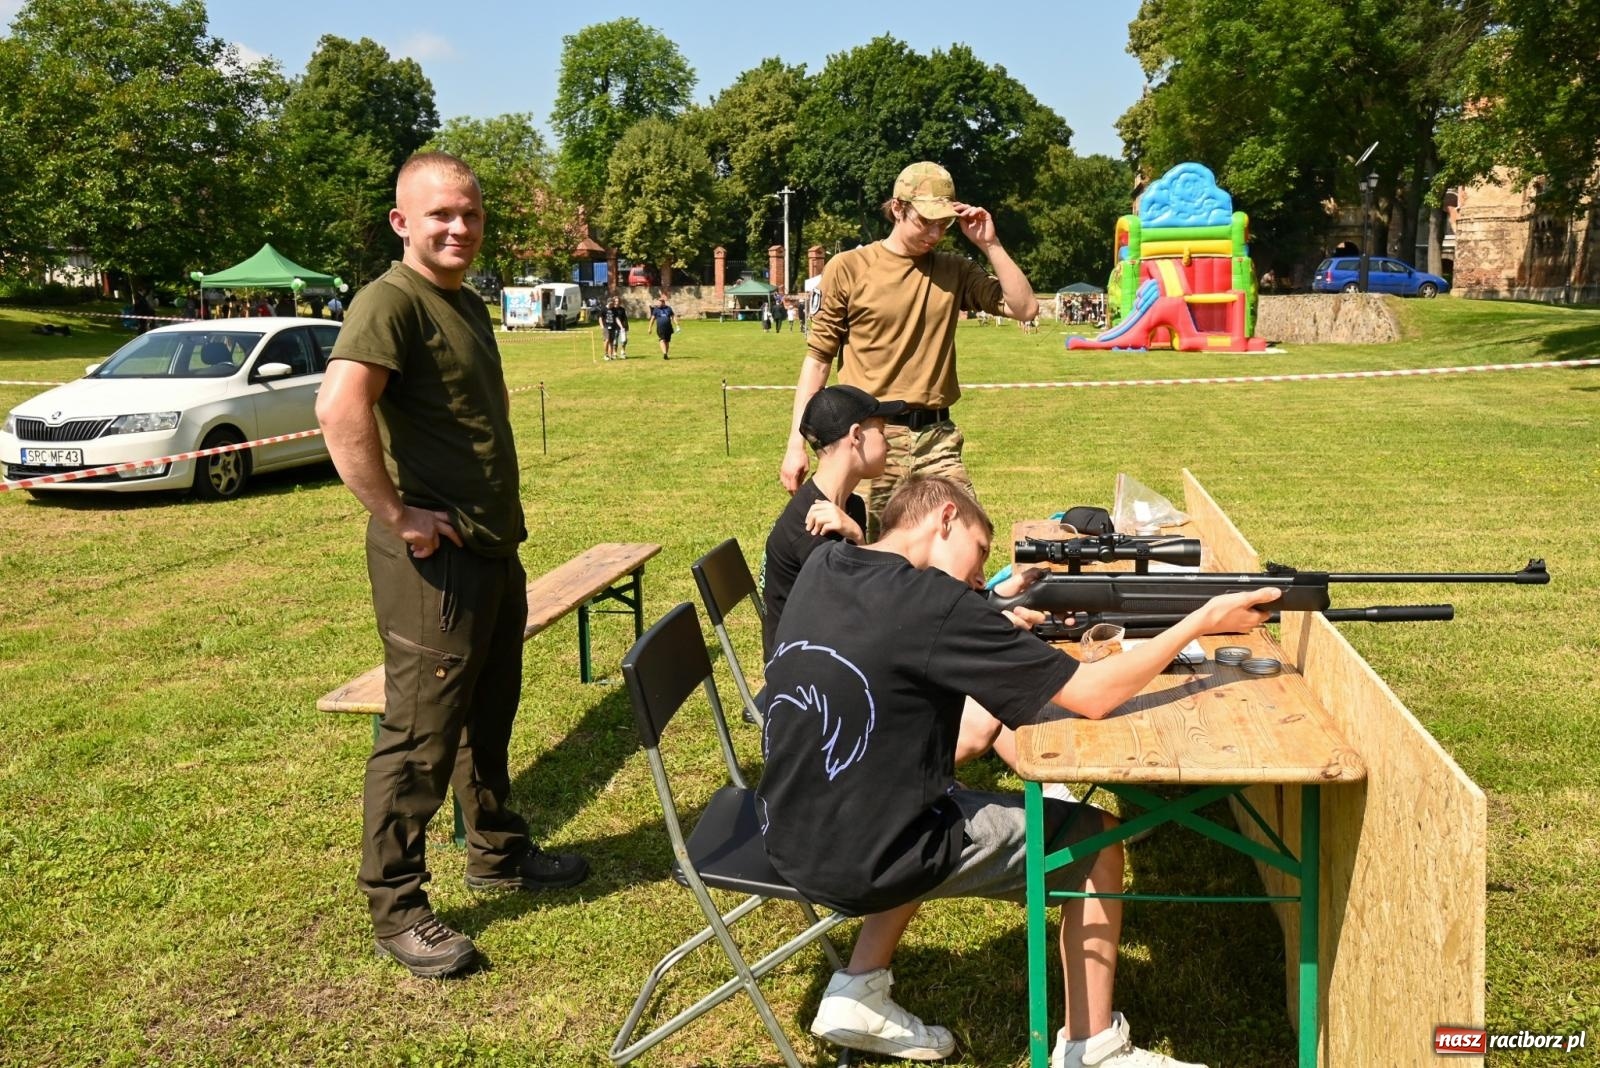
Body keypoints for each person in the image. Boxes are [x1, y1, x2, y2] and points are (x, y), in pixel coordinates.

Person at [758, 476, 1278, 1067]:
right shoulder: (938, 607)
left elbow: (944, 687)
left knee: (935, 795)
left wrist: (990, 619)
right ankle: (1093, 1049)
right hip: (863, 855)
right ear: (945, 518)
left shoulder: (826, 563)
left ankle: (859, 988)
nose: (981, 576)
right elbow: (1094, 695)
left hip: (789, 822)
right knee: (1096, 841)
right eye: (980, 552)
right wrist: (1202, 619)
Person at [316, 151, 589, 981]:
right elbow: (339, 408)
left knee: (487, 715)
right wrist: (398, 515)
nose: (459, 228)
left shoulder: (462, 302)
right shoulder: (388, 301)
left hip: (491, 549)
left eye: (469, 214)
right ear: (403, 221)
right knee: (419, 736)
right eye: (440, 215)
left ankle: (497, 852)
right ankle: (397, 907)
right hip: (433, 563)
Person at [779, 161, 1039, 540]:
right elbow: (818, 361)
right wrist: (795, 445)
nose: (935, 233)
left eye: (944, 223)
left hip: (937, 438)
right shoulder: (849, 267)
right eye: (925, 221)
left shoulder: (955, 270)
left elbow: (1024, 307)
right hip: (870, 438)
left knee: (968, 540)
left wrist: (989, 244)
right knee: (870, 549)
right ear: (897, 208)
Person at [648, 295, 676, 359]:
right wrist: (650, 328)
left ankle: (666, 354)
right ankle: (664, 353)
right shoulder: (656, 309)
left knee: (667, 341)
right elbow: (652, 319)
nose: (659, 303)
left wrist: (677, 324)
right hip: (660, 328)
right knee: (662, 340)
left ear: (663, 302)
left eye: (660, 302)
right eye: (658, 302)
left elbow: (673, 316)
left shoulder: (668, 308)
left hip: (668, 328)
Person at [600, 295, 628, 360]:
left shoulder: (614, 310)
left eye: (613, 303)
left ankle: (611, 355)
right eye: (611, 303)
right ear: (608, 303)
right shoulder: (603, 309)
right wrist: (602, 326)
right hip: (606, 327)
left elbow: (617, 318)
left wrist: (621, 326)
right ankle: (605, 355)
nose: (613, 304)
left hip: (613, 327)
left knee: (611, 342)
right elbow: (600, 318)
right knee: (606, 340)